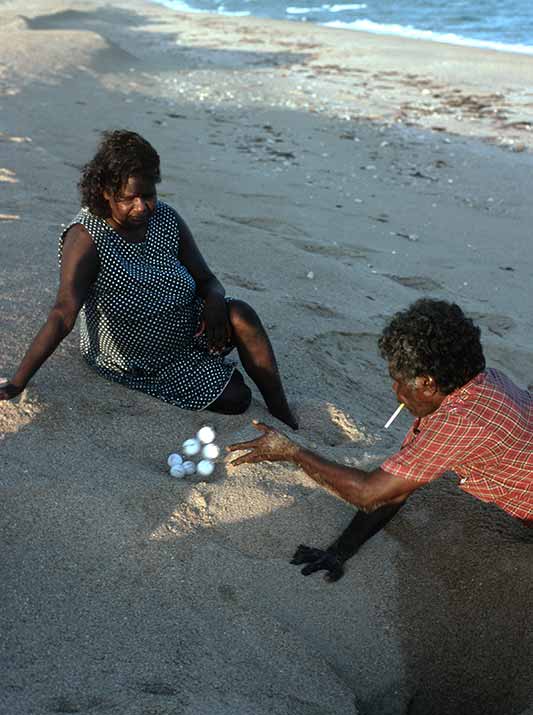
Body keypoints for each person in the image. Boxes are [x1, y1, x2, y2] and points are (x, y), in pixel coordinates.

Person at [0, 130, 297, 429]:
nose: (141, 207)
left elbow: (207, 278)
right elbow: (63, 314)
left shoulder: (165, 218)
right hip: (139, 356)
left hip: (188, 327)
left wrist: (215, 300)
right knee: (238, 399)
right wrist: (17, 383)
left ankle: (281, 409)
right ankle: (208, 371)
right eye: (129, 198)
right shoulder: (87, 238)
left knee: (241, 313)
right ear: (105, 191)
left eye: (148, 195)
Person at [228, 299, 533, 581]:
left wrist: (292, 451)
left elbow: (369, 492)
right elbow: (394, 488)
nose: (396, 391)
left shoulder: (459, 422)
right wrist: (340, 551)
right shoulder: (485, 381)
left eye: (398, 381)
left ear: (427, 383)